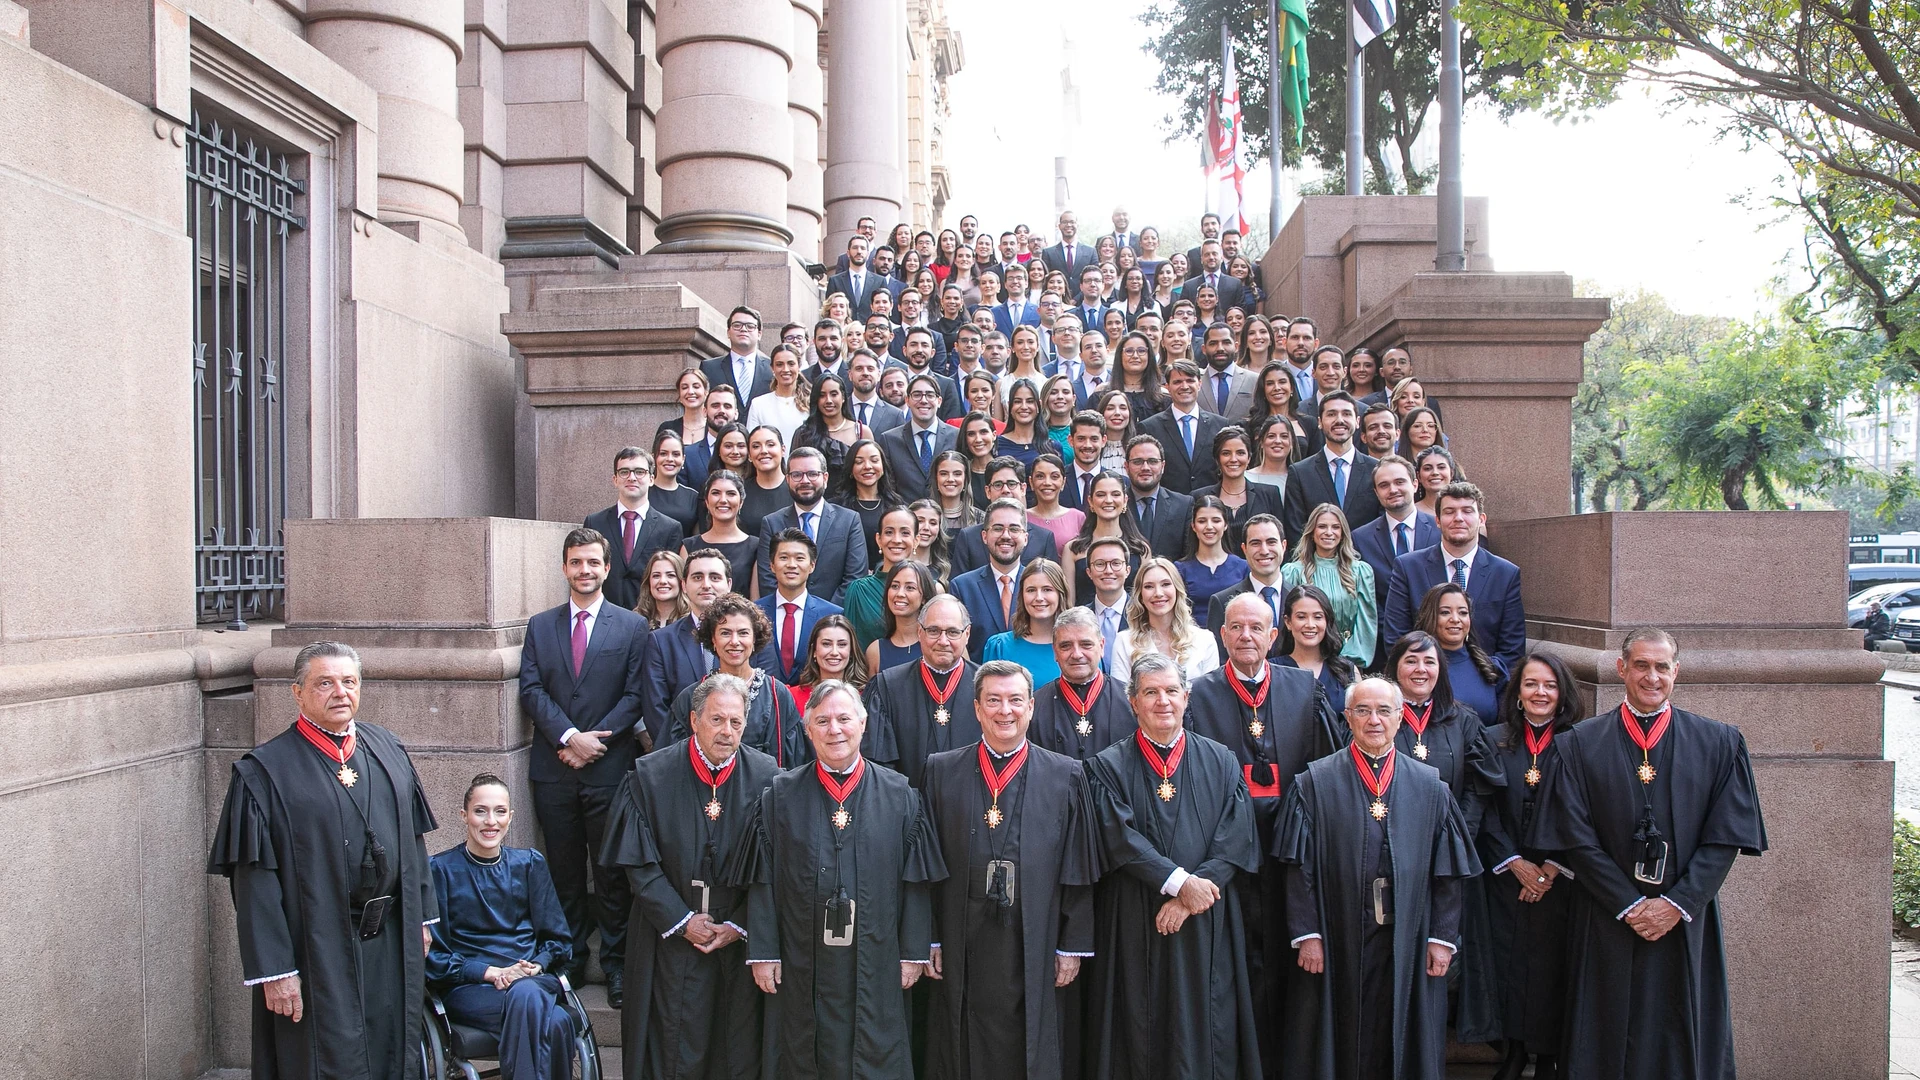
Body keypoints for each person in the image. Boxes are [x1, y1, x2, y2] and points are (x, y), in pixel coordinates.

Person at [1529, 629, 1767, 1080]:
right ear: (1621, 669)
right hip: (1605, 914)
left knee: (1681, 1031)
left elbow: (1725, 837)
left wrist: (1676, 905)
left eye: (1661, 667)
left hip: (1682, 918)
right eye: (1641, 665)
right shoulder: (1578, 744)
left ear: (1677, 672)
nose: (1651, 677)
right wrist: (1630, 903)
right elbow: (1574, 837)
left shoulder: (1719, 744)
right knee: (1601, 1029)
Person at [209, 641, 440, 1079]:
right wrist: (276, 970)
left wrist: (423, 918)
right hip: (314, 946)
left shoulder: (387, 748)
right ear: (297, 693)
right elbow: (253, 883)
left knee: (391, 1050)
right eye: (325, 683)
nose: (340, 693)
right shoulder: (264, 772)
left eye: (349, 682)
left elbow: (414, 843)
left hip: (388, 938)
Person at [730, 681, 945, 1080]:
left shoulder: (900, 794)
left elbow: (917, 882)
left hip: (878, 957)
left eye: (844, 718)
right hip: (800, 958)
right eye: (823, 721)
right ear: (808, 729)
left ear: (863, 724)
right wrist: (764, 953)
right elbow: (762, 882)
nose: (835, 730)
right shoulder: (778, 795)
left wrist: (913, 952)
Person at [1275, 676, 1482, 1080]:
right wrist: (1308, 934)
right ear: (1347, 717)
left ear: (1401, 717)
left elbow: (1449, 874)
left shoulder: (1431, 786)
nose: (1374, 720)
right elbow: (1298, 871)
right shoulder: (1314, 783)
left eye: (1384, 710)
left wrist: (1441, 939)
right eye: (1363, 711)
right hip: (1338, 934)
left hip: (1410, 934)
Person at [1081, 652, 1262, 1080]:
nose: (1162, 701)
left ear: (1186, 697)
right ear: (1133, 702)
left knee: (1209, 1019)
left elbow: (1236, 837)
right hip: (1136, 915)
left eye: (1171, 691)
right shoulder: (1106, 766)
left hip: (1207, 916)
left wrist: (1193, 895)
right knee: (1140, 1024)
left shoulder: (1222, 760)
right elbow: (1117, 837)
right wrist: (1179, 882)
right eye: (1150, 693)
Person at [1187, 592, 1342, 1080]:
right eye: (1236, 627)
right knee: (1240, 962)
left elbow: (1324, 769)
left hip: (1291, 852)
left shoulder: (1303, 687)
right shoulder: (1199, 693)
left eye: (1257, 628)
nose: (1246, 636)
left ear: (1275, 636)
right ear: (1222, 634)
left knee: (1292, 961)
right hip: (1229, 853)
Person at [920, 659, 1098, 1080]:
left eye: (1015, 700)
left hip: (1035, 936)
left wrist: (1070, 945)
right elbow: (924, 864)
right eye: (994, 701)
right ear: (977, 708)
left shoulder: (1066, 775)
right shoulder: (941, 770)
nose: (1005, 711)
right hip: (962, 935)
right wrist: (928, 937)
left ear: (1031, 707)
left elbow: (1078, 867)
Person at [602, 674, 779, 1080]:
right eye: (717, 720)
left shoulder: (768, 777)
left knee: (735, 1048)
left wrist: (740, 923)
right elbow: (638, 864)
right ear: (695, 719)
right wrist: (681, 922)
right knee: (672, 1044)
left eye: (736, 723)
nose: (727, 731)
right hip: (670, 934)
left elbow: (779, 865)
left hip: (738, 935)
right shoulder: (649, 775)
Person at [518, 528, 649, 1002]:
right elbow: (531, 689)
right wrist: (570, 737)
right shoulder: (540, 625)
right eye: (576, 562)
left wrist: (595, 742)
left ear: (607, 567)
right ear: (565, 567)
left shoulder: (632, 626)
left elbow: (636, 695)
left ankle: (615, 966)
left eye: (593, 562)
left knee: (611, 873)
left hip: (609, 769)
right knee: (565, 872)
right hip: (554, 768)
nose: (585, 570)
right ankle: (570, 959)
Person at [1385, 630, 1507, 1041]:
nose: (1420, 670)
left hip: (1447, 855)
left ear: (1441, 670)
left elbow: (1481, 783)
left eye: (1429, 662)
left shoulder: (1463, 718)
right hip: (1388, 852)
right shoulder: (1378, 714)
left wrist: (1458, 829)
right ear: (1395, 667)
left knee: (1444, 951)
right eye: (1411, 661)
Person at [428, 775, 576, 1080]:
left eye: (499, 811)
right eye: (480, 811)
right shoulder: (440, 870)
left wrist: (536, 965)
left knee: (526, 993)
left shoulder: (529, 864)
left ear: (510, 816)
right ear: (464, 815)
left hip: (530, 981)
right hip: (472, 989)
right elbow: (435, 958)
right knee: (557, 1021)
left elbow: (559, 941)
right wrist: (490, 973)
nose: (490, 821)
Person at [1479, 652, 1582, 1080]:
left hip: (1561, 879)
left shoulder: (1580, 741)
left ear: (1562, 694)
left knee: (1552, 966)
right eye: (1531, 684)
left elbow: (1586, 811)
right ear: (1517, 692)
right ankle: (1515, 1051)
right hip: (1507, 875)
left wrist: (1551, 868)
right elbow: (1482, 808)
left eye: (1550, 685)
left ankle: (1549, 1057)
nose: (1541, 693)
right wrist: (1515, 863)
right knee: (1509, 963)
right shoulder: (1492, 739)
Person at [1384, 481, 1528, 670]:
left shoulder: (1505, 574)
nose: (1458, 518)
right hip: (1424, 685)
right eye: (1449, 511)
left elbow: (1512, 650)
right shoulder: (1408, 568)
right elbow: (1396, 637)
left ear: (1481, 519)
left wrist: (1476, 678)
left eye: (1467, 511)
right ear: (1437, 520)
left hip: (1484, 685)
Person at [665, 593, 807, 767]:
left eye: (743, 633)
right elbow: (670, 763)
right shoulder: (691, 697)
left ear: (754, 639)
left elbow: (797, 764)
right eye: (725, 633)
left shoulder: (778, 695)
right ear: (713, 640)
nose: (734, 641)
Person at [863, 594, 981, 789]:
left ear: (967, 634)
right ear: (920, 632)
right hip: (907, 811)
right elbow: (879, 766)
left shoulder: (986, 688)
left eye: (952, 632)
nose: (943, 641)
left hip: (971, 811)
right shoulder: (887, 687)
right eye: (933, 630)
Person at [754, 446, 866, 604]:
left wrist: (826, 614)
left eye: (813, 474)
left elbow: (855, 578)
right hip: (787, 616)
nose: (805, 481)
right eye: (797, 475)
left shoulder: (849, 520)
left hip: (836, 619)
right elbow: (767, 578)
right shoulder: (772, 523)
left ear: (825, 478)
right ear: (788, 480)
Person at [643, 549, 733, 744]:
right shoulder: (661, 641)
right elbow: (656, 710)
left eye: (715, 577)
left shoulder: (749, 639)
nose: (706, 585)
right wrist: (685, 755)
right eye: (697, 577)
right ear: (684, 585)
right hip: (681, 758)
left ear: (728, 584)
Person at [1350, 455, 1439, 648]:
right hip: (1384, 646)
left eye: (1400, 482)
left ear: (1415, 484)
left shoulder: (1440, 530)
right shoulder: (1360, 538)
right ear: (1376, 492)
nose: (1393, 490)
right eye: (1384, 485)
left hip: (1438, 643)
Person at [1030, 607, 1139, 760]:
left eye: (1086, 644)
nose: (1076, 654)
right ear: (1055, 652)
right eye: (1066, 646)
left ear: (1101, 647)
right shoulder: (1034, 708)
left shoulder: (1131, 702)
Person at [586, 447, 687, 610]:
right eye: (624, 472)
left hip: (650, 619)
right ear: (615, 479)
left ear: (652, 479)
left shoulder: (670, 528)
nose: (632, 477)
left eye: (640, 472)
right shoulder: (595, 523)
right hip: (604, 617)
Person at [1281, 504, 1379, 668]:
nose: (1328, 532)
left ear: (1343, 533)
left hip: (1347, 661)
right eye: (1322, 527)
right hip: (1305, 661)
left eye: (1335, 527)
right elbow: (1290, 622)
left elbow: (1366, 622)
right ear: (1312, 532)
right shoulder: (1293, 572)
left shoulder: (1361, 571)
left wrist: (1348, 662)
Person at [1110, 556, 1221, 689]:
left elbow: (1209, 697)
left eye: (1166, 584)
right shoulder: (1124, 642)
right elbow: (1121, 700)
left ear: (1177, 589)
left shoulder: (1205, 640)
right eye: (1149, 586)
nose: (1158, 593)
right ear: (1140, 595)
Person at [1283, 392, 1381, 544]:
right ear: (1320, 422)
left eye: (1346, 414)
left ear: (1357, 421)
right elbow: (1295, 529)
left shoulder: (1376, 469)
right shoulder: (1300, 473)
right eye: (1331, 414)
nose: (1339, 420)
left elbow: (1381, 523)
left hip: (1366, 562)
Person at [950, 500, 1039, 662]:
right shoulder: (962, 587)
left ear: (1025, 538)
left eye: (1014, 529)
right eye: (998, 528)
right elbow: (957, 643)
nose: (1005, 536)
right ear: (984, 536)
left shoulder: (1041, 586)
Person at [754, 527, 846, 685]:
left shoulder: (831, 614)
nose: (791, 565)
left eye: (799, 558)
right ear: (772, 565)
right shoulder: (754, 612)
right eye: (783, 557)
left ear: (812, 566)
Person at [950, 459, 1062, 574]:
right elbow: (958, 586)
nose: (1005, 490)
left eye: (1011, 484)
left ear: (1023, 489)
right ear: (988, 491)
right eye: (998, 485)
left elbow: (1052, 583)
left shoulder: (1044, 538)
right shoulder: (968, 537)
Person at [1415, 583, 1507, 724]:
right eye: (1445, 612)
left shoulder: (1493, 668)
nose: (1456, 619)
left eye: (1463, 613)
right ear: (1430, 617)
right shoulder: (1415, 670)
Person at [1206, 514, 1290, 657]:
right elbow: (1218, 659)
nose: (1264, 551)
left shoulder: (1298, 599)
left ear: (1283, 546)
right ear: (1244, 549)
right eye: (1256, 543)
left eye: (1271, 542)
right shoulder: (1222, 602)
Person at [1195, 426, 1285, 556]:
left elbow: (1280, 540)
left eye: (1240, 453)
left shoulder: (1269, 494)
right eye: (1226, 453)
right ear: (1217, 459)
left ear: (1249, 458)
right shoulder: (1200, 497)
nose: (1233, 459)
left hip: (1260, 569)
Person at [1140, 361, 1227, 495]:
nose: (1184, 386)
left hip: (1211, 506)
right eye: (1177, 382)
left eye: (1190, 381)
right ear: (1167, 387)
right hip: (1170, 507)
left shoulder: (1220, 425)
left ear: (1199, 384)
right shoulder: (1150, 427)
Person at [1063, 472, 1149, 606]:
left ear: (1125, 500)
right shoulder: (1073, 549)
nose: (1108, 500)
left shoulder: (1141, 549)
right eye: (1101, 495)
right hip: (1085, 624)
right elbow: (1068, 604)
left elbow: (1146, 600)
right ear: (1090, 501)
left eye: (1115, 494)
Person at [842, 506, 921, 649]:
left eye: (905, 533)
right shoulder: (859, 590)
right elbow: (851, 647)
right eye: (889, 532)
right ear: (879, 539)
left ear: (916, 540)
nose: (897, 540)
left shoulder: (931, 588)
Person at [982, 557, 1069, 685]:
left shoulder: (1078, 648)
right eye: (1031, 590)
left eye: (1047, 589)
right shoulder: (999, 646)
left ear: (1060, 594)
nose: (1039, 597)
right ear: (1021, 595)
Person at [1276, 585, 1358, 716]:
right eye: (1301, 617)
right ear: (1288, 622)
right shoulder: (1272, 670)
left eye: (1318, 617)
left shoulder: (1347, 670)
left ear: (1327, 621)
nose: (1310, 624)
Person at [879, 374, 962, 501]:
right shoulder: (889, 440)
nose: (923, 400)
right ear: (907, 401)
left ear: (939, 401)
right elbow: (888, 488)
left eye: (930, 395)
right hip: (906, 517)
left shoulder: (957, 436)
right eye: (917, 395)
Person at [1178, 496, 1248, 630]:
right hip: (1194, 640)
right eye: (1202, 521)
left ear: (1225, 524)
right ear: (1193, 526)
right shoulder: (1180, 569)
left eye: (1216, 520)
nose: (1209, 527)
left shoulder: (1243, 567)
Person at [686, 470, 761, 595]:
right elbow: (685, 599)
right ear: (707, 501)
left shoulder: (755, 546)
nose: (723, 500)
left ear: (741, 502)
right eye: (716, 493)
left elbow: (755, 600)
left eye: (731, 494)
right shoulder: (689, 546)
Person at [1124, 434, 1197, 560]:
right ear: (1126, 466)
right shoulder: (1116, 504)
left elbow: (1188, 556)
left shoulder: (1183, 506)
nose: (1145, 467)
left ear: (1162, 466)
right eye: (1137, 462)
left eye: (1152, 461)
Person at [866, 560, 938, 673]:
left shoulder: (940, 645)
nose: (899, 594)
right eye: (894, 586)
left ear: (924, 597)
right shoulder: (875, 652)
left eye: (910, 588)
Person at [790, 613, 870, 715]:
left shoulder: (867, 697)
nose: (834, 652)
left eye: (842, 645)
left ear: (851, 651)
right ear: (814, 650)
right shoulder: (792, 697)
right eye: (826, 644)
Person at [701, 306, 773, 411]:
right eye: (737, 325)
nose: (743, 329)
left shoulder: (772, 368)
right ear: (728, 332)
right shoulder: (709, 368)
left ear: (759, 334)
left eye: (750, 326)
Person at [745, 343, 811, 445]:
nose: (785, 369)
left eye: (791, 363)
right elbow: (753, 443)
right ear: (772, 368)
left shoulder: (811, 402)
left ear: (799, 366)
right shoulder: (758, 404)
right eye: (779, 364)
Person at [737, 426, 792, 540]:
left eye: (770, 445)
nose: (764, 451)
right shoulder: (739, 491)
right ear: (749, 455)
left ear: (783, 450)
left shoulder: (796, 488)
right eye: (756, 446)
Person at [1027, 452, 1086, 551]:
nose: (1047, 483)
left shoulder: (1077, 517)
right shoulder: (1021, 518)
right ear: (1031, 482)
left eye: (1054, 477)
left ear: (1063, 482)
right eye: (1040, 476)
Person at [649, 431, 700, 537]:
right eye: (663, 453)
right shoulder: (643, 493)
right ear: (654, 458)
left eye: (676, 454)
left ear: (683, 459)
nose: (670, 459)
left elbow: (696, 537)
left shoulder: (693, 497)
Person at [931, 450, 986, 532]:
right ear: (936, 478)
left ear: (965, 479)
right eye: (943, 474)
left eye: (957, 474)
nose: (950, 479)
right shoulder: (923, 516)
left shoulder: (981, 519)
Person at [635, 549, 690, 628]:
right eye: (656, 576)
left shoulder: (693, 621)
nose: (662, 581)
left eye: (670, 575)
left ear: (682, 582)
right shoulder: (635, 621)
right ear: (648, 581)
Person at [1245, 416, 1296, 495]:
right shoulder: (1246, 478)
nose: (1278, 441)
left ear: (1292, 442)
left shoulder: (1299, 479)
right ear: (1261, 442)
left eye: (1284, 436)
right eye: (1271, 436)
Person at [1411, 446, 1462, 515]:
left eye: (1441, 467)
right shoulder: (1411, 513)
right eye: (1427, 468)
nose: (1435, 472)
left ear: (1451, 473)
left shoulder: (1464, 510)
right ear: (1418, 476)